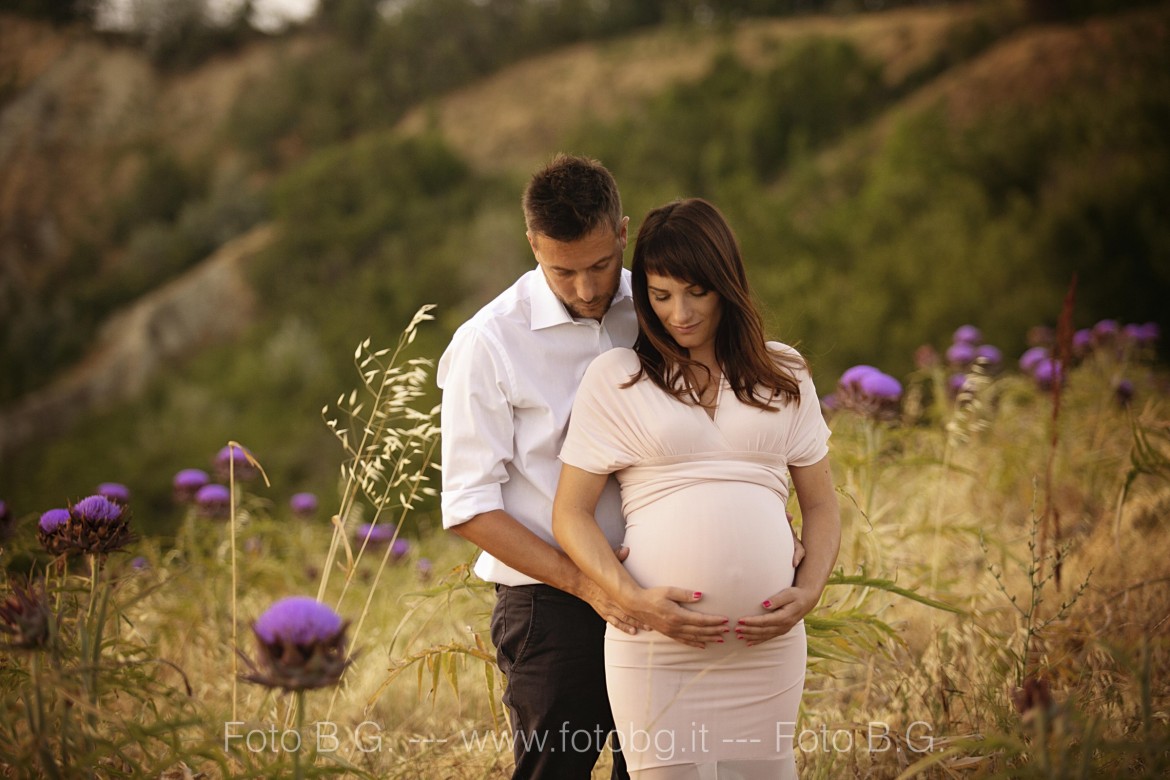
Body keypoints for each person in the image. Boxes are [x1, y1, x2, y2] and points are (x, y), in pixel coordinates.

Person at [438, 155, 730, 779]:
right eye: (561, 271)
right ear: (532, 247)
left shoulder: (661, 308)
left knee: (660, 772)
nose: (587, 289)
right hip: (551, 603)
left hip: (669, 588)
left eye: (600, 265)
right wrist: (591, 586)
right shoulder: (487, 342)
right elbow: (468, 506)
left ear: (623, 232)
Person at [552, 197, 842, 779]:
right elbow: (570, 515)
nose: (678, 313)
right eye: (659, 296)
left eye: (695, 293)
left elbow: (821, 503)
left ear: (726, 287)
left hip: (767, 649)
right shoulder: (617, 379)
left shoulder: (784, 374)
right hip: (658, 648)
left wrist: (808, 592)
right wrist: (629, 597)